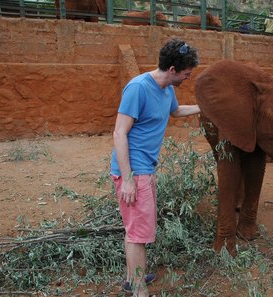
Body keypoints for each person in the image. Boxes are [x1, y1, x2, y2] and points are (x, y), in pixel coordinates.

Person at [110, 38, 200, 297]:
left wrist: (205, 107)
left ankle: (132, 278)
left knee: (139, 228)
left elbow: (176, 111)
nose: (188, 77)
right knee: (138, 234)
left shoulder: (167, 89)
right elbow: (119, 133)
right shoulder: (138, 88)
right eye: (186, 73)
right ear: (172, 70)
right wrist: (127, 178)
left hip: (145, 170)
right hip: (134, 171)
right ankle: (139, 290)